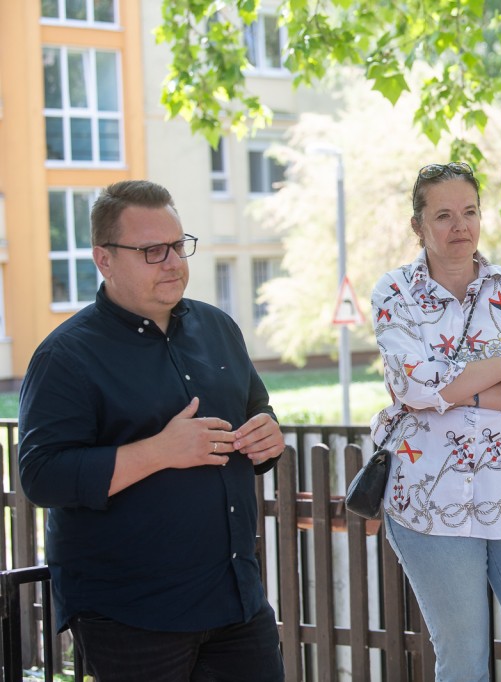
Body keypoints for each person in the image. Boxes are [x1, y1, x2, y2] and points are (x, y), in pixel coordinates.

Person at [18, 180, 286, 682]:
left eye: (179, 245)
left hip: (236, 599)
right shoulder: (65, 355)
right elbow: (42, 476)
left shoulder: (219, 327)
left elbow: (257, 409)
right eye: (152, 251)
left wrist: (268, 436)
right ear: (104, 259)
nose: (173, 262)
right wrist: (160, 451)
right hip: (131, 613)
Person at [369, 162, 501, 681]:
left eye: (469, 212)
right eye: (443, 215)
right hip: (429, 503)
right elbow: (413, 385)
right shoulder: (394, 293)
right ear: (418, 224)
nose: (459, 226)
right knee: (465, 665)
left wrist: (450, 390)